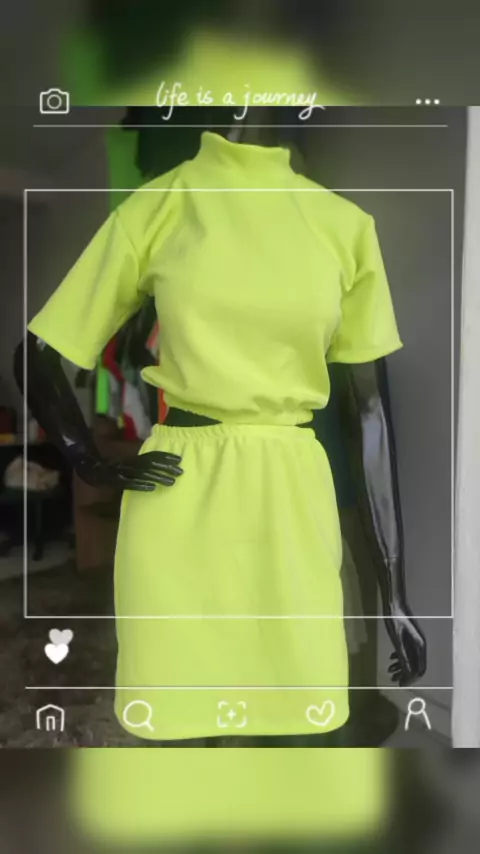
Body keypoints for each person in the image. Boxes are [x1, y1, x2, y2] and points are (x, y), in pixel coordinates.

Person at [15, 106, 426, 747]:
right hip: (180, 494)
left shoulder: (345, 227)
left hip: (291, 500)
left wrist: (395, 593)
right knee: (184, 723)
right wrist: (90, 460)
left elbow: (370, 413)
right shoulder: (160, 207)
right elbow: (38, 353)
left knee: (294, 723)